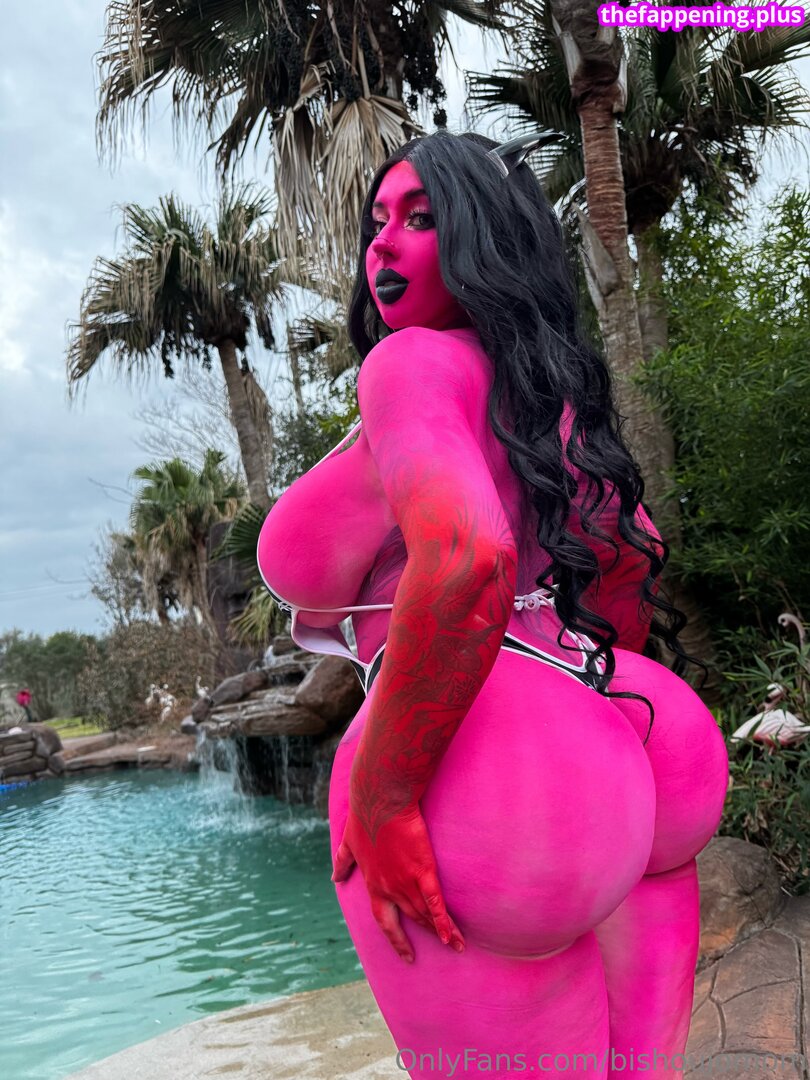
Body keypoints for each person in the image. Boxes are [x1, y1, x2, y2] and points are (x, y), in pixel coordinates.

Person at [257, 130, 728, 1076]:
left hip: (485, 767)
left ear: (483, 238)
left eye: (422, 218)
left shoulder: (412, 366)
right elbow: (629, 556)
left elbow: (467, 556)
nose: (383, 243)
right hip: (630, 719)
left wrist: (386, 792)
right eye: (378, 221)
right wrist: (583, 723)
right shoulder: (551, 398)